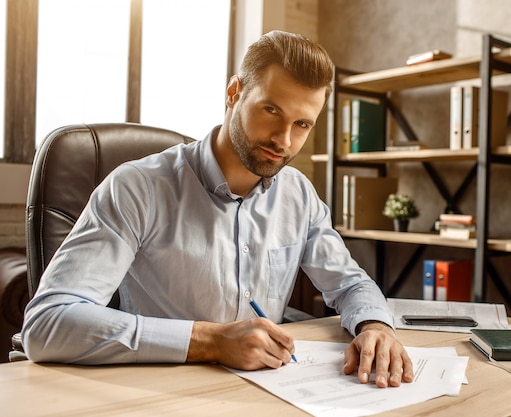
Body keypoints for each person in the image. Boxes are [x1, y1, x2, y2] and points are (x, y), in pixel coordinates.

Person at [22, 30, 413, 388]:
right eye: (271, 111)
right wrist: (209, 340)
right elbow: (47, 323)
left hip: (271, 390)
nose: (284, 140)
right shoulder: (138, 188)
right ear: (233, 92)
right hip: (161, 393)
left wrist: (375, 324)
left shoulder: (299, 195)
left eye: (302, 124)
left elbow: (349, 283)